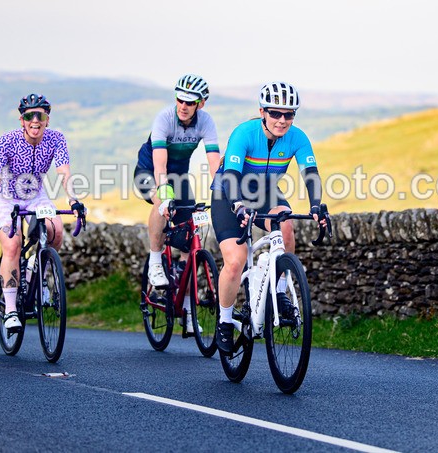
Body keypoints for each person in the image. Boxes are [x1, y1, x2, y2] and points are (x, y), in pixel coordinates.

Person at [210, 82, 326, 353]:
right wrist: (238, 205)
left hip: (265, 193)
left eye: (289, 114)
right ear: (262, 111)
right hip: (229, 193)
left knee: (285, 223)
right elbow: (232, 177)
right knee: (236, 261)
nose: (282, 120)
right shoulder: (244, 133)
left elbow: (310, 173)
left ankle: (279, 292)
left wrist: (317, 205)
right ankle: (225, 322)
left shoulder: (297, 137)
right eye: (276, 113)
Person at [0, 94, 85, 333]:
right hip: (4, 195)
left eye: (41, 115)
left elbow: (64, 174)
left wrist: (73, 199)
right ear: (22, 120)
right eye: (30, 116)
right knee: (12, 243)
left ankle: (34, 274)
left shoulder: (56, 139)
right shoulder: (6, 141)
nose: (35, 120)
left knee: (56, 232)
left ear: (47, 119)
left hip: (35, 195)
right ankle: (10, 310)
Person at [133, 74, 220, 331]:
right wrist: (165, 195)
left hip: (179, 176)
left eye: (190, 102)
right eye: (180, 99)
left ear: (201, 104)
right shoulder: (165, 118)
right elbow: (160, 163)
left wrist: (224, 190)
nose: (183, 105)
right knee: (163, 200)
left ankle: (187, 310)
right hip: (150, 172)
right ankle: (156, 263)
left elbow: (214, 161)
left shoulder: (206, 122)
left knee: (191, 238)